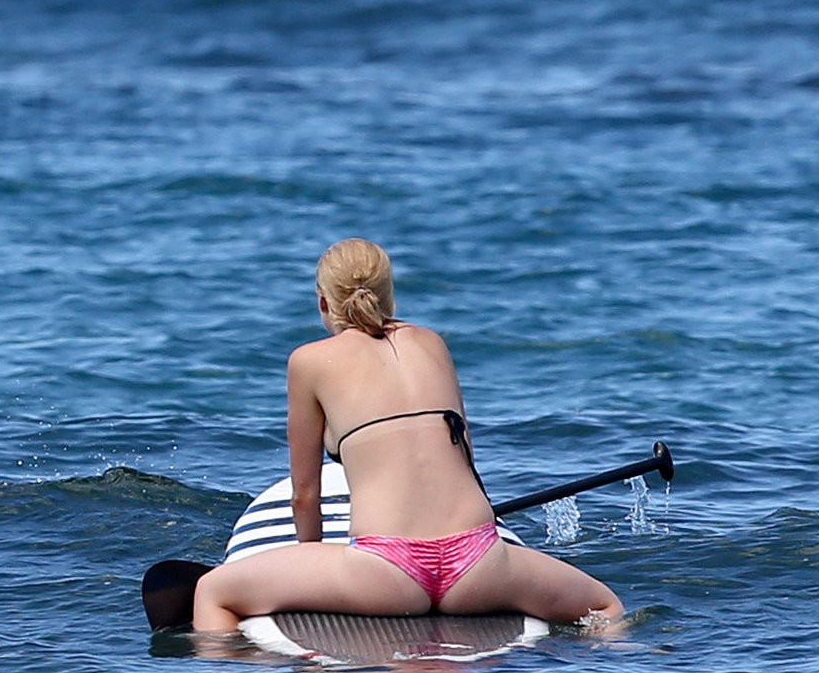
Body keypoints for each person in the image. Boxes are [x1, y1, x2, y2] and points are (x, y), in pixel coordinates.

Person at [192, 239, 623, 632]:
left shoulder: (309, 361)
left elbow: (306, 495)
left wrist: (313, 563)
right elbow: (466, 459)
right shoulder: (433, 343)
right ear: (390, 294)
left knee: (211, 593)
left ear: (323, 304)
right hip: (479, 563)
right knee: (606, 607)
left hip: (387, 572)